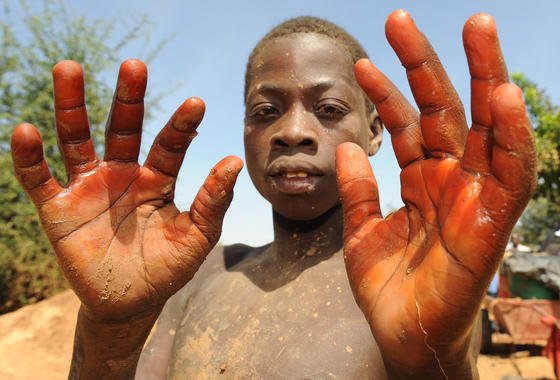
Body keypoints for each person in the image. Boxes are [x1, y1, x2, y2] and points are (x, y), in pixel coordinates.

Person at [10, 9, 536, 380]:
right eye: (266, 111)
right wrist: (109, 330)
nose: (293, 132)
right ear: (244, 131)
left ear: (375, 131)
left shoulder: (411, 277)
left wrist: (429, 366)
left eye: (328, 110)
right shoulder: (197, 277)